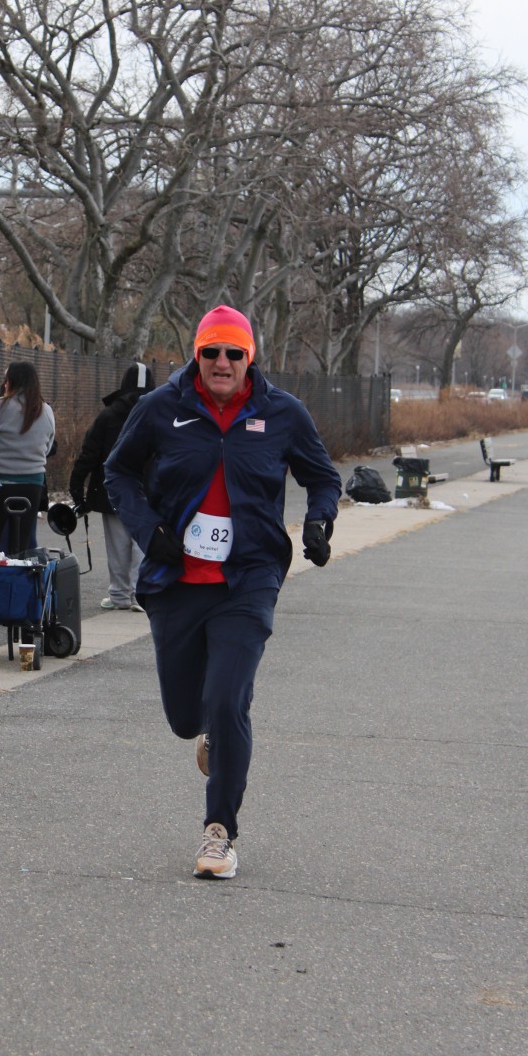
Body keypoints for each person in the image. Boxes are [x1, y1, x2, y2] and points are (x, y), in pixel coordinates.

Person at [105, 305, 341, 881]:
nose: (222, 362)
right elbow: (118, 473)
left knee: (229, 698)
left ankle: (219, 833)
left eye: (234, 353)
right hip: (176, 582)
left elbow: (322, 476)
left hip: (248, 579)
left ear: (249, 358)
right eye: (211, 351)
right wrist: (149, 532)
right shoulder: (160, 407)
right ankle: (209, 729)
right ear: (197, 355)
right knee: (187, 716)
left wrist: (319, 520)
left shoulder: (281, 413)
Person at [69, 362, 155, 611]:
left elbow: (90, 453)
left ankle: (119, 594)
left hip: (113, 489)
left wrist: (77, 485)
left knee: (117, 545)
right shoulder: (159, 412)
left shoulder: (108, 415)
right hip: (149, 488)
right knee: (142, 543)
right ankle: (140, 593)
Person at [0, 361, 55, 556]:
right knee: (24, 538)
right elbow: (48, 447)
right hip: (33, 482)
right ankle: (21, 568)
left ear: (11, 381)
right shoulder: (45, 410)